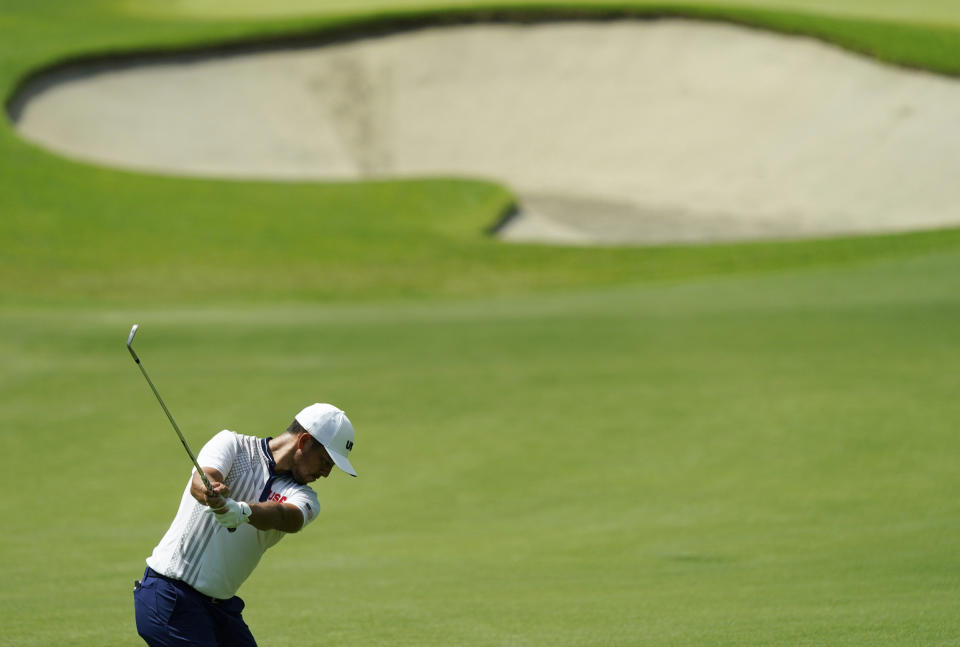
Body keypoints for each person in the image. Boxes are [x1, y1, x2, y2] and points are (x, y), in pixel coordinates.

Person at [133, 403, 357, 646]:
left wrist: (243, 511)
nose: (326, 473)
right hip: (170, 595)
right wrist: (214, 493)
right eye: (325, 461)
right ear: (303, 441)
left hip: (220, 609)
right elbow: (201, 481)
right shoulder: (232, 444)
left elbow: (286, 517)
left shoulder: (305, 497)